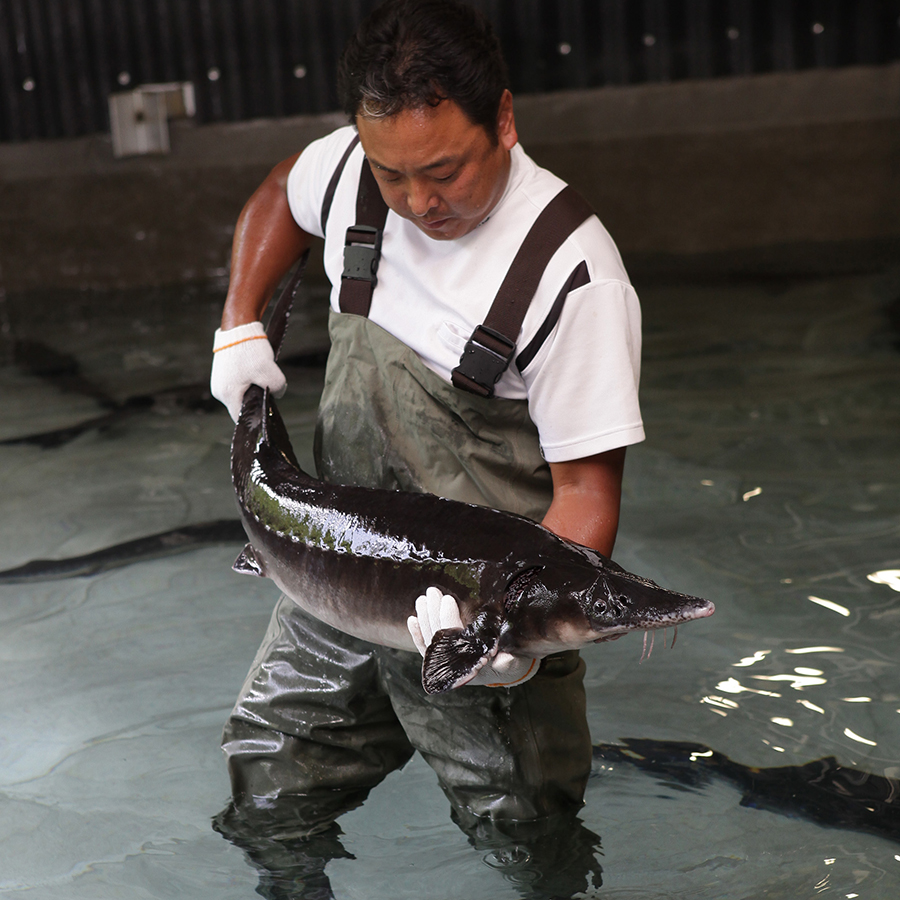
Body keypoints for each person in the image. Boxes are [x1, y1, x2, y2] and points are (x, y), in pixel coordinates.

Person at [209, 1, 643, 896]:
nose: (418, 202)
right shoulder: (350, 169)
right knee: (267, 791)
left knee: (528, 841)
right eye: (393, 175)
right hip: (333, 569)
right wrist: (238, 324)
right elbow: (278, 195)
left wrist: (509, 641)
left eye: (443, 171)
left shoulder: (573, 273)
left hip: (483, 615)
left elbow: (587, 495)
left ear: (506, 121)